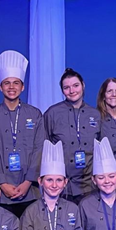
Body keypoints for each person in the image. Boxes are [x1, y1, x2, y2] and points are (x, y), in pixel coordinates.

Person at [0, 50, 44, 218]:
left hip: (30, 191)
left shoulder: (35, 114)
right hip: (2, 192)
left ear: (22, 87)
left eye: (16, 83)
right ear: (0, 87)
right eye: (7, 83)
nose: (11, 87)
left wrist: (28, 181)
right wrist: (2, 183)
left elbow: (39, 149)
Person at [44, 68, 100, 203]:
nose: (72, 91)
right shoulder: (52, 113)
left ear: (83, 85)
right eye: (66, 88)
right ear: (62, 91)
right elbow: (44, 148)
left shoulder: (95, 114)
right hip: (63, 187)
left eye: (76, 85)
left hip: (89, 185)